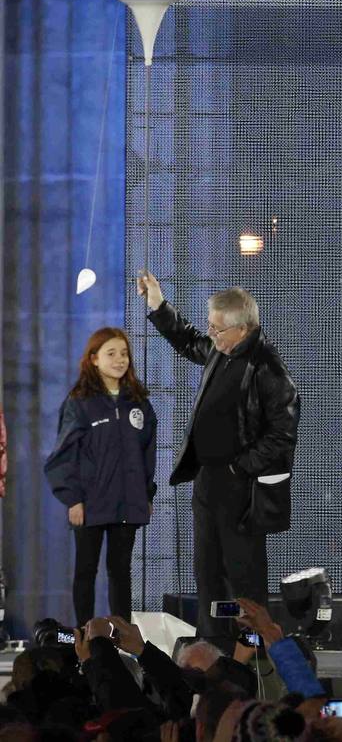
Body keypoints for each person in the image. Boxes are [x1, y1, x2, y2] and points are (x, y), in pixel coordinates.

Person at [137, 271, 300, 641]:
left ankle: (251, 649)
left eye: (218, 329)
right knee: (207, 569)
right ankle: (213, 645)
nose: (211, 334)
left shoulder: (268, 369)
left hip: (241, 487)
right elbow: (189, 340)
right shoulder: (221, 350)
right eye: (211, 327)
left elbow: (282, 434)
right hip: (209, 479)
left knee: (242, 572)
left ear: (243, 329)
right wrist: (158, 305)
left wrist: (240, 467)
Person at [44, 328, 157, 624]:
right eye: (111, 353)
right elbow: (64, 455)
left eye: (124, 353)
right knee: (86, 570)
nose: (120, 360)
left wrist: (146, 494)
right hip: (90, 503)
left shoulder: (139, 402)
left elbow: (147, 453)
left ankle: (122, 639)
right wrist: (73, 499)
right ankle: (85, 639)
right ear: (94, 359)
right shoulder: (80, 402)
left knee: (120, 571)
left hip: (128, 502)